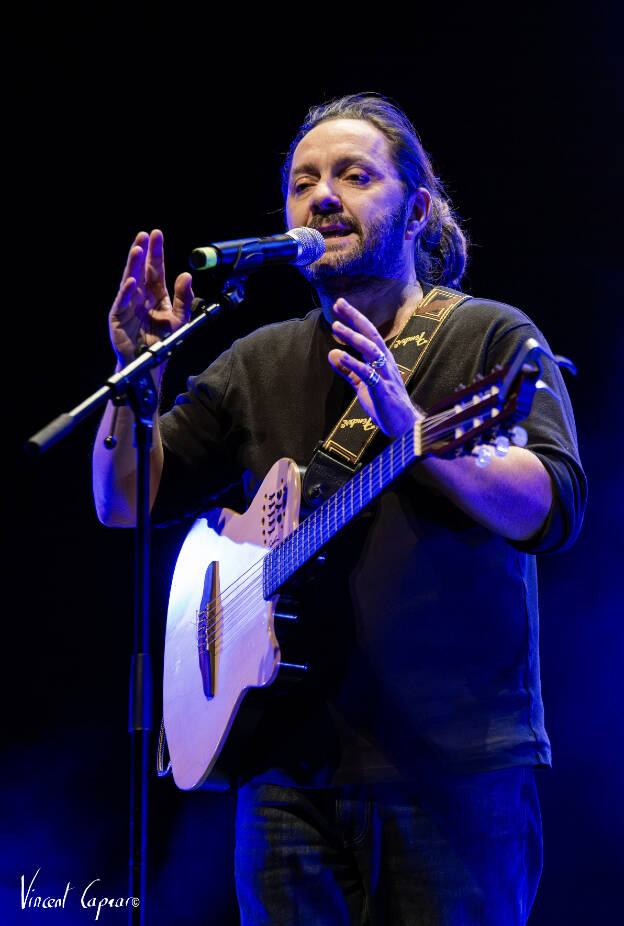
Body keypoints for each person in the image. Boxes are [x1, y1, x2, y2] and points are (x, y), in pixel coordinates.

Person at [93, 94, 586, 925]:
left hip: (451, 772)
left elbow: (554, 505)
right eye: (303, 182)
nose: (322, 196)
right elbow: (124, 499)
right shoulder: (255, 361)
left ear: (418, 211)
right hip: (281, 777)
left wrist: (417, 431)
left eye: (355, 176)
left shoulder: (491, 336)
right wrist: (135, 382)